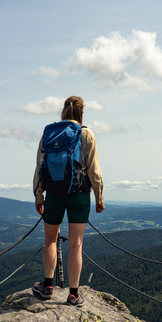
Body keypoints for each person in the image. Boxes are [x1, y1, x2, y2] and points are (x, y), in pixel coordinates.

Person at [32, 96, 105, 306]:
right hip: (80, 193)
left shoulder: (48, 134)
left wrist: (39, 196)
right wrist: (99, 197)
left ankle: (47, 286)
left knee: (50, 240)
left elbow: (39, 167)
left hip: (54, 193)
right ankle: (73, 294)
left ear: (63, 111)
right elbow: (94, 169)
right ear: (81, 112)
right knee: (75, 245)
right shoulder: (85, 133)